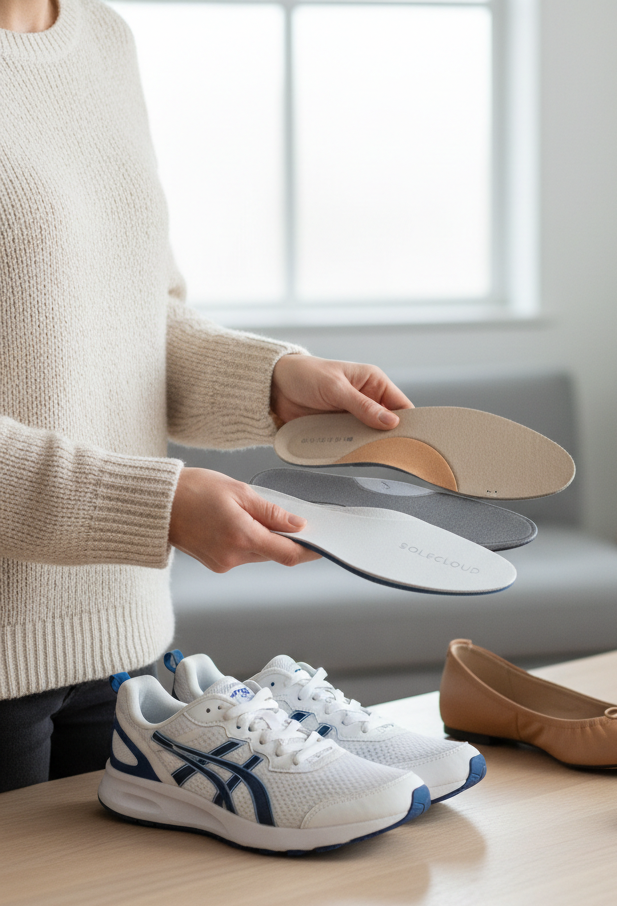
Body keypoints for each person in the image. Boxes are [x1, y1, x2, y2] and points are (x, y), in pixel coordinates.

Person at [0, 0, 413, 791]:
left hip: (127, 647)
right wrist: (156, 505)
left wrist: (273, 381)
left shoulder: (102, 40)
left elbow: (132, 311)